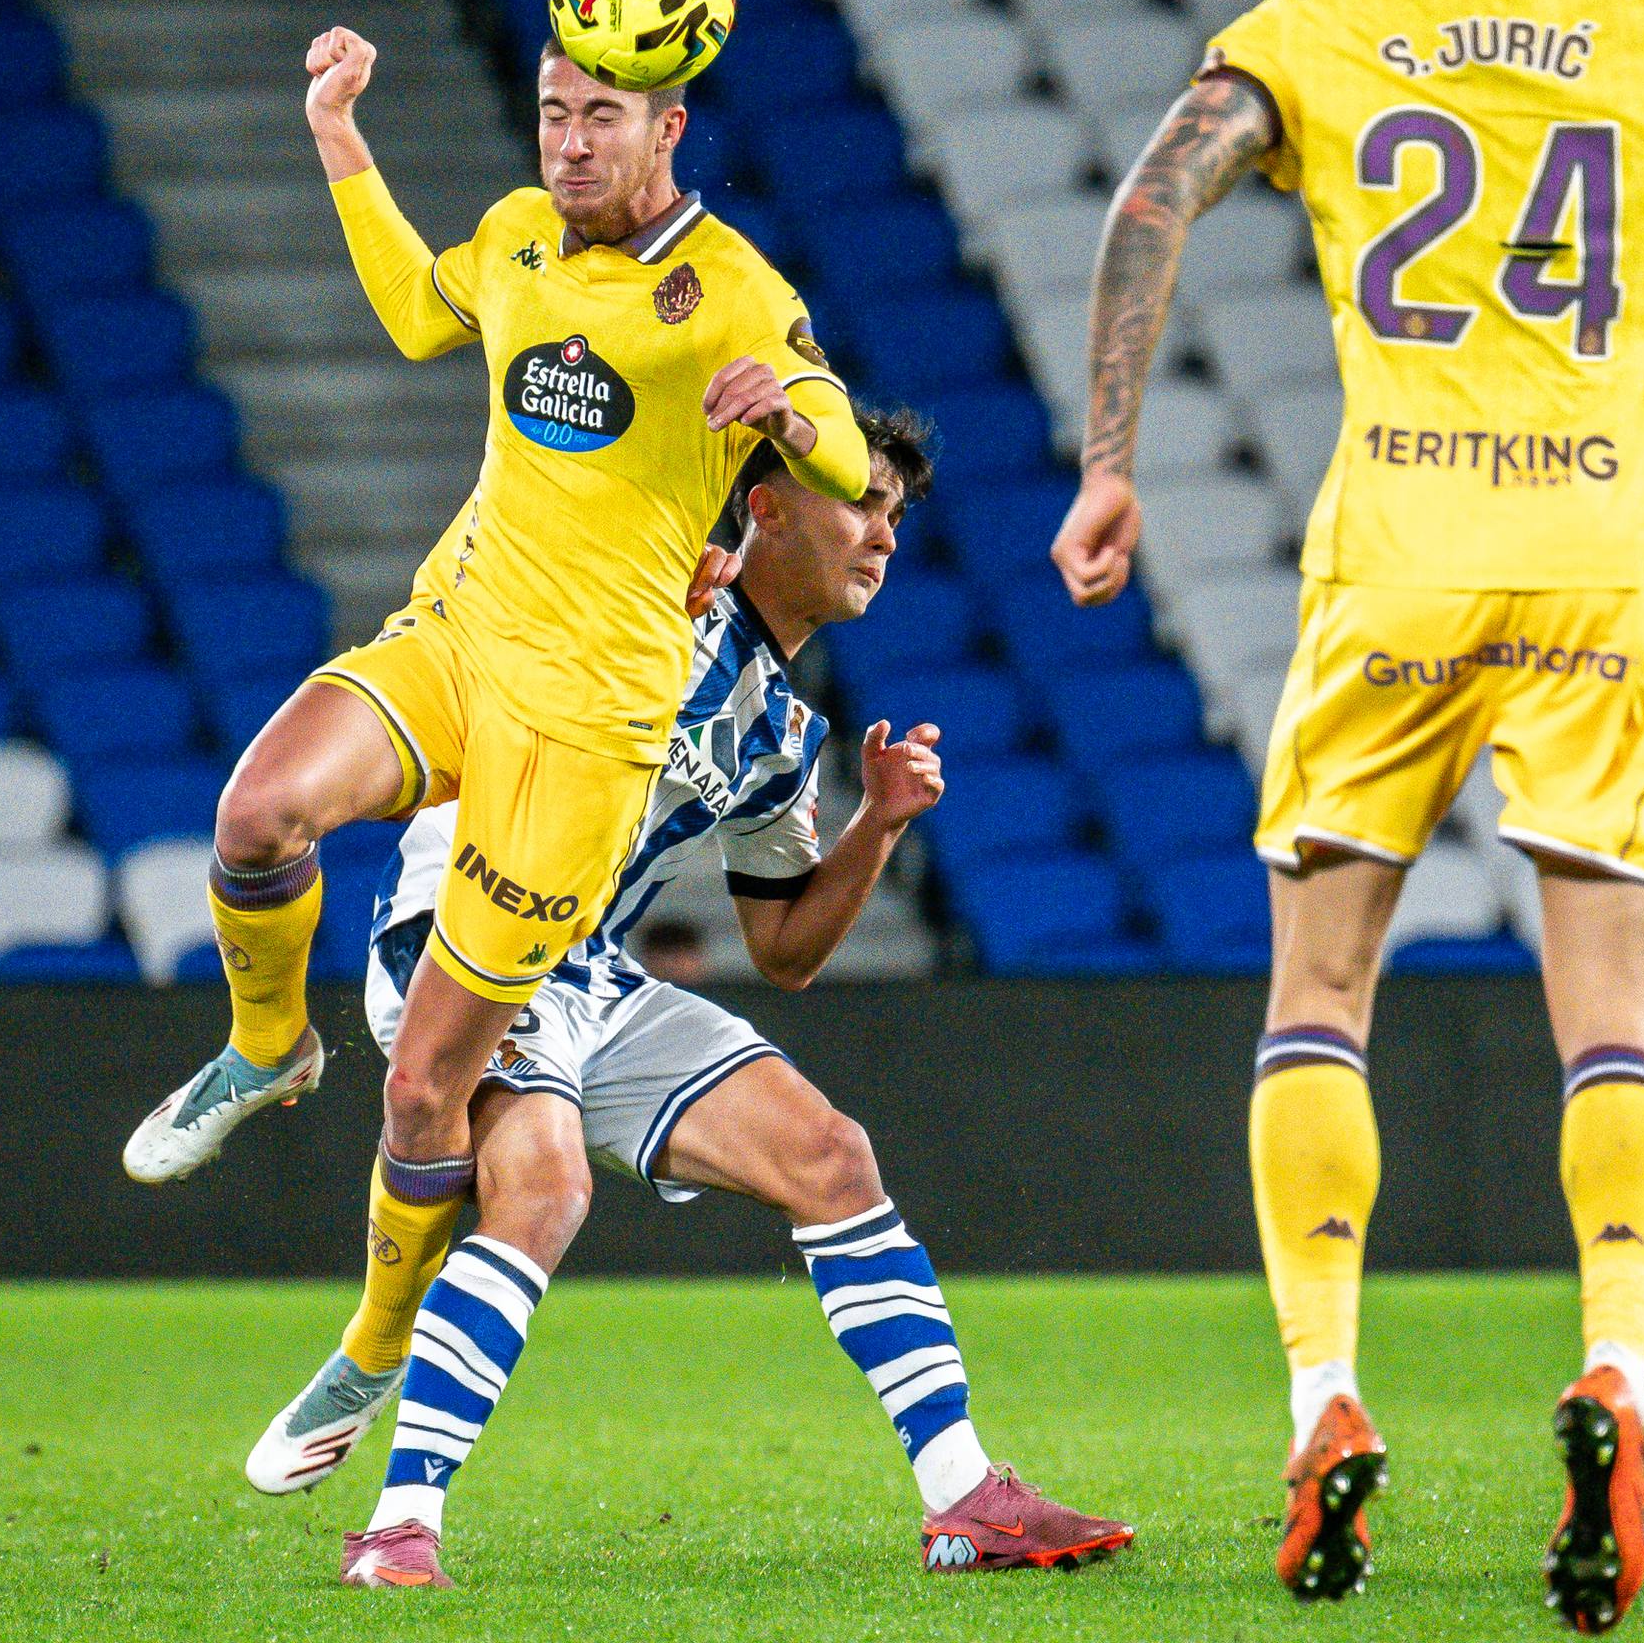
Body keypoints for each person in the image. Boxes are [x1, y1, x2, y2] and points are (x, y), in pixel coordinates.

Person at [1050, 0, 1644, 1627]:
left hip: (1396, 558)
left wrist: (1110, 462)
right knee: (1612, 1011)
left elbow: (1153, 203)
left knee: (1320, 991)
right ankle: (1617, 1372)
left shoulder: (1317, 36)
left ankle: (1328, 1394)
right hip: (1596, 557)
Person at [122, 0, 873, 1357]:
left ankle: (375, 1343)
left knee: (427, 1085)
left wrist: (788, 410)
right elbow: (419, 311)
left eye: (604, 115)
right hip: (462, 637)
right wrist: (340, 137)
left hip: (586, 733)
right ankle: (268, 1046)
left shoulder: (729, 287)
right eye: (553, 110)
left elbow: (839, 443)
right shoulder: (521, 232)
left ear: (670, 128)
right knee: (258, 814)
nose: (572, 142)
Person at [245, 413, 1130, 1590]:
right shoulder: (653, 583)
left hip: (594, 972)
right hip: (467, 928)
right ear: (764, 507)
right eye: (860, 501)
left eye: (896, 519)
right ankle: (400, 1529)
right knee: (545, 1185)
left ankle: (964, 1498)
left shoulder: (778, 730)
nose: (881, 535)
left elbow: (785, 947)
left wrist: (875, 823)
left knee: (831, 1155)